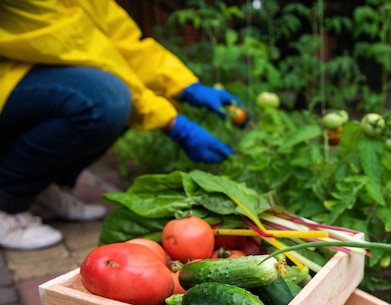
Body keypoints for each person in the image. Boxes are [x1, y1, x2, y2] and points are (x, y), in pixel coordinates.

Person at [0, 0, 244, 250]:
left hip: (38, 72)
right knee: (107, 99)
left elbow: (123, 40)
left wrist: (184, 85)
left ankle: (44, 185)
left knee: (126, 98)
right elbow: (81, 48)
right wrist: (173, 123)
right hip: (8, 78)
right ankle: (7, 202)